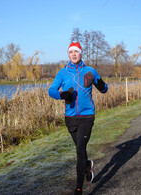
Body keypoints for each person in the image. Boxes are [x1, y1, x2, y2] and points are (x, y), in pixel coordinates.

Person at [48, 42, 108, 195]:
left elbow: (104, 89)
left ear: (81, 53)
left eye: (76, 51)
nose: (73, 54)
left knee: (80, 150)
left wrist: (101, 85)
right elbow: (51, 90)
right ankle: (87, 165)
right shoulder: (63, 73)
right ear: (68, 54)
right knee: (80, 149)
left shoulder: (90, 71)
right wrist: (62, 95)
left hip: (87, 116)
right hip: (70, 118)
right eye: (71, 52)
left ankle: (78, 189)